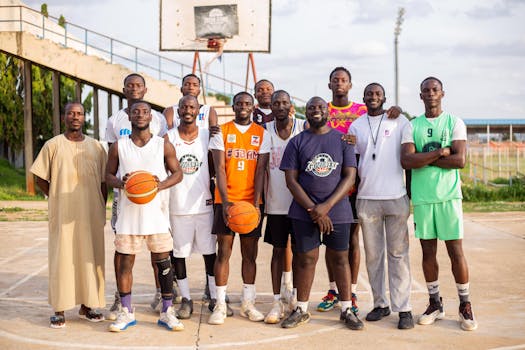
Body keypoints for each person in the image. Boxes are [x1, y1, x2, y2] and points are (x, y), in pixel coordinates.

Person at [318, 66, 402, 314]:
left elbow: (379, 118)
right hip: (326, 182)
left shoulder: (361, 110)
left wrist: (393, 111)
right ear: (330, 84)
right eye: (335, 80)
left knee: (351, 240)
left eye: (344, 80)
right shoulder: (322, 108)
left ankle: (351, 291)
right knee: (330, 243)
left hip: (354, 184)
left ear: (350, 85)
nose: (339, 83)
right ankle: (334, 290)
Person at [400, 77, 477, 331]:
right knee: (428, 253)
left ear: (442, 93)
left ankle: (465, 305)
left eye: (435, 90)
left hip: (449, 196)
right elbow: (407, 161)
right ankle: (435, 303)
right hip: (423, 198)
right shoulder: (413, 125)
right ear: (420, 96)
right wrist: (439, 153)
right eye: (426, 90)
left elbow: (459, 160)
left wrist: (424, 158)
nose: (431, 94)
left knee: (456, 252)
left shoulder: (454, 122)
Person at [279, 96, 363, 330]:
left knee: (339, 258)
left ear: (328, 112)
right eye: (311, 107)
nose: (316, 110)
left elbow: (350, 176)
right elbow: (291, 181)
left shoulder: (343, 140)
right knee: (306, 259)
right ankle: (301, 309)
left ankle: (347, 308)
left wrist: (325, 208)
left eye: (320, 107)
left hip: (337, 211)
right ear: (305, 113)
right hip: (304, 211)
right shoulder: (297, 142)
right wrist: (313, 210)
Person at [105, 100, 184, 332]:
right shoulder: (119, 146)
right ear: (129, 116)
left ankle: (167, 311)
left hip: (156, 214)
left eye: (145, 112)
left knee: (164, 263)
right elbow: (108, 176)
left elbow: (178, 173)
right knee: (125, 263)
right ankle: (126, 311)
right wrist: (123, 183)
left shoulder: (163, 145)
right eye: (136, 112)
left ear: (151, 117)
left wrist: (160, 186)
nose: (140, 115)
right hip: (129, 214)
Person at [31, 102, 107, 329]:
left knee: (90, 259)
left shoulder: (96, 147)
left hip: (91, 212)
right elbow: (40, 178)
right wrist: (55, 196)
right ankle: (59, 309)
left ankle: (88, 306)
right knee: (62, 258)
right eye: (71, 113)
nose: (75, 117)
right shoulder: (52, 145)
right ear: (64, 116)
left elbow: (104, 182)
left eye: (80, 113)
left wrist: (101, 206)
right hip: (63, 212)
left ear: (84, 118)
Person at [348, 83, 414, 330]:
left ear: (384, 98)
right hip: (367, 197)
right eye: (369, 94)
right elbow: (353, 163)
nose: (373, 97)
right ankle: (380, 304)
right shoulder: (357, 125)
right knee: (374, 256)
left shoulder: (400, 121)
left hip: (396, 196)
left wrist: (409, 195)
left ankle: (404, 307)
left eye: (378, 93)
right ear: (363, 98)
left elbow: (408, 158)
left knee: (398, 254)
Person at [104, 73, 169, 319]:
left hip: (154, 198)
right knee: (122, 250)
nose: (134, 88)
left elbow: (162, 155)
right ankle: (120, 300)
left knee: (160, 252)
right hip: (125, 198)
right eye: (130, 85)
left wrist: (158, 185)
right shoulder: (114, 121)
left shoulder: (160, 120)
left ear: (145, 89)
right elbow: (110, 159)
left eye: (138, 85)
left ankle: (160, 295)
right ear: (124, 90)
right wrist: (121, 183)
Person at [208, 91, 270, 325]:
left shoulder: (261, 134)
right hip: (226, 200)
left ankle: (248, 302)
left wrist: (255, 204)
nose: (243, 106)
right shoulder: (221, 132)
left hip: (250, 203)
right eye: (239, 103)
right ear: (233, 107)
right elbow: (220, 169)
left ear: (253, 107)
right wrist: (225, 202)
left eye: (247, 103)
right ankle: (221, 304)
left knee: (250, 255)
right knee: (223, 252)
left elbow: (261, 170)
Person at [165, 95, 217, 320]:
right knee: (179, 255)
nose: (188, 110)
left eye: (192, 107)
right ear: (178, 111)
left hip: (204, 204)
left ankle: (214, 296)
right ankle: (186, 299)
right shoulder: (168, 137)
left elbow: (216, 167)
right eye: (184, 107)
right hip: (178, 205)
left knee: (210, 254)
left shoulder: (208, 136)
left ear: (198, 111)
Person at [263, 90, 306, 324]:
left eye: (284, 103)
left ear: (291, 106)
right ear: (270, 106)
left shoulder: (302, 127)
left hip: (300, 203)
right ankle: (277, 300)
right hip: (276, 203)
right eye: (276, 103)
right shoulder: (265, 132)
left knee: (300, 254)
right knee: (278, 252)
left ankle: (297, 301)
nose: (280, 106)